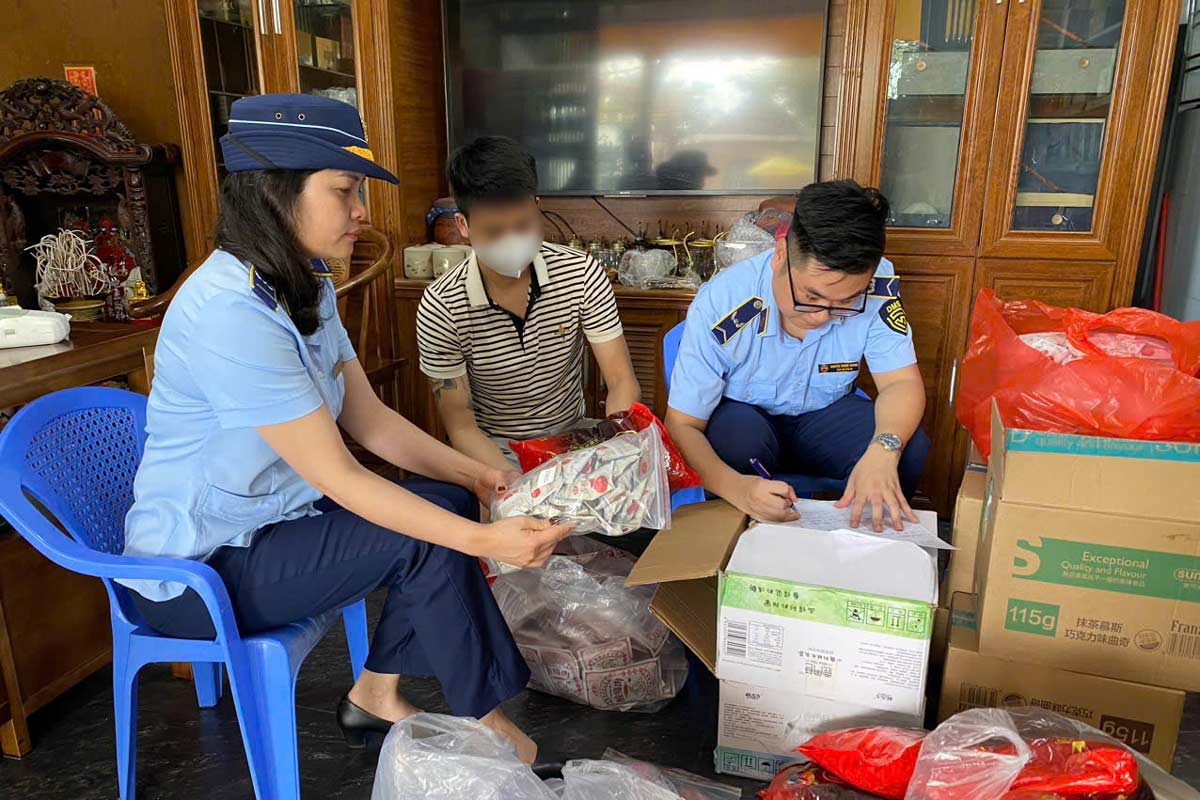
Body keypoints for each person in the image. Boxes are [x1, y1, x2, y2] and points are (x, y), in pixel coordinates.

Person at [120, 95, 572, 763]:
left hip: (272, 522)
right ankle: (494, 727)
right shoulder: (228, 311)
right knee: (421, 539)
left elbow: (372, 421)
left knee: (441, 501)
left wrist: (474, 476)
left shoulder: (305, 284)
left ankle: (376, 696)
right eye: (344, 189)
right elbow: (339, 475)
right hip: (201, 566)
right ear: (276, 195)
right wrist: (484, 537)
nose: (361, 209)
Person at [665, 180, 930, 533]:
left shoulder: (877, 285)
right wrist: (739, 490)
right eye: (810, 297)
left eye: (846, 303)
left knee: (906, 449)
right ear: (780, 255)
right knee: (734, 441)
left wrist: (885, 449)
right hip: (749, 424)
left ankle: (864, 549)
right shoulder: (723, 300)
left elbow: (901, 382)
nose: (822, 317)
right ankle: (734, 551)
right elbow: (682, 425)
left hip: (824, 415)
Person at [416, 135, 640, 471]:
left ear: (537, 205)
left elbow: (621, 380)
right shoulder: (442, 306)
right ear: (463, 225)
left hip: (573, 441)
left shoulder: (580, 273)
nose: (512, 241)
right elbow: (460, 424)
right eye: (494, 232)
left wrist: (617, 443)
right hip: (493, 450)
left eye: (523, 225)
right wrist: (514, 484)